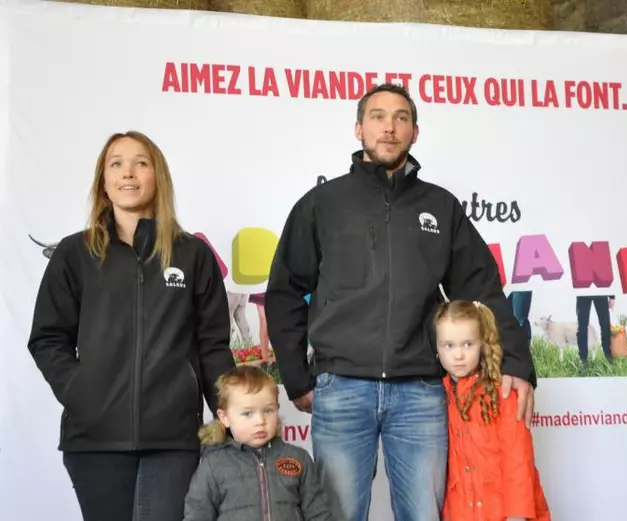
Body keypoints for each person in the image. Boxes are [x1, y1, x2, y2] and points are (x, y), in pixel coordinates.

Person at [265, 82, 536, 521]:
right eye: (377, 117)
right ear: (358, 129)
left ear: (415, 131)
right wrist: (297, 378)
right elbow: (284, 292)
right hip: (342, 389)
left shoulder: (441, 207)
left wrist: (517, 363)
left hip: (421, 392)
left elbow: (482, 289)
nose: (388, 128)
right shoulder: (322, 204)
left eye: (400, 118)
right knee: (337, 515)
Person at [27, 131, 235, 521]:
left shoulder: (193, 254)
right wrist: (80, 392)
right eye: (116, 163)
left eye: (141, 163)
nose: (128, 173)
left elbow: (212, 345)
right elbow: (48, 338)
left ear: (158, 177)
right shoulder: (75, 253)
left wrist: (229, 413)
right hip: (94, 437)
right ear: (103, 183)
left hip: (173, 437)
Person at [435, 300, 550, 521]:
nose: (458, 355)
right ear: (438, 349)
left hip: (504, 512)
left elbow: (518, 459)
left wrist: (517, 515)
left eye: (467, 344)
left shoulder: (503, 393)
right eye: (448, 345)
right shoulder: (440, 394)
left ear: (482, 344)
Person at [183, 365, 333, 520]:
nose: (260, 421)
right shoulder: (213, 465)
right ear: (224, 417)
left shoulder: (299, 458)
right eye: (248, 413)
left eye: (268, 410)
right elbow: (197, 515)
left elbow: (318, 513)